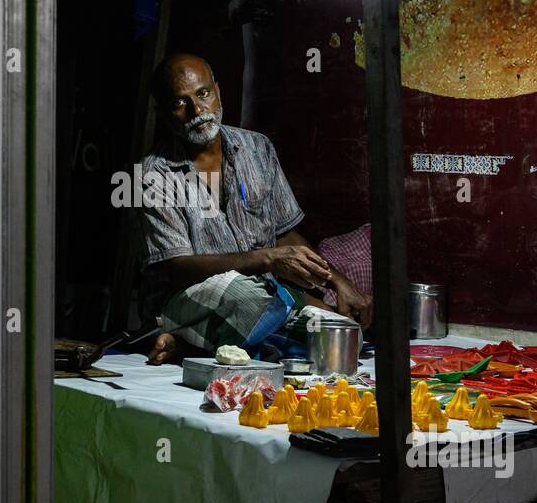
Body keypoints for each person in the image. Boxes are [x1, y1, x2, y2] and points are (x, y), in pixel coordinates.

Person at [138, 53, 372, 364]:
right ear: (164, 114)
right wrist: (266, 260)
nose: (197, 110)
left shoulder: (257, 148)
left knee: (340, 337)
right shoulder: (155, 175)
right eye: (180, 103)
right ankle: (190, 336)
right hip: (190, 297)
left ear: (218, 91)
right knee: (250, 298)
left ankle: (190, 345)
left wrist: (337, 281)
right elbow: (175, 268)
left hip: (265, 295)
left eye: (203, 94)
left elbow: (285, 232)